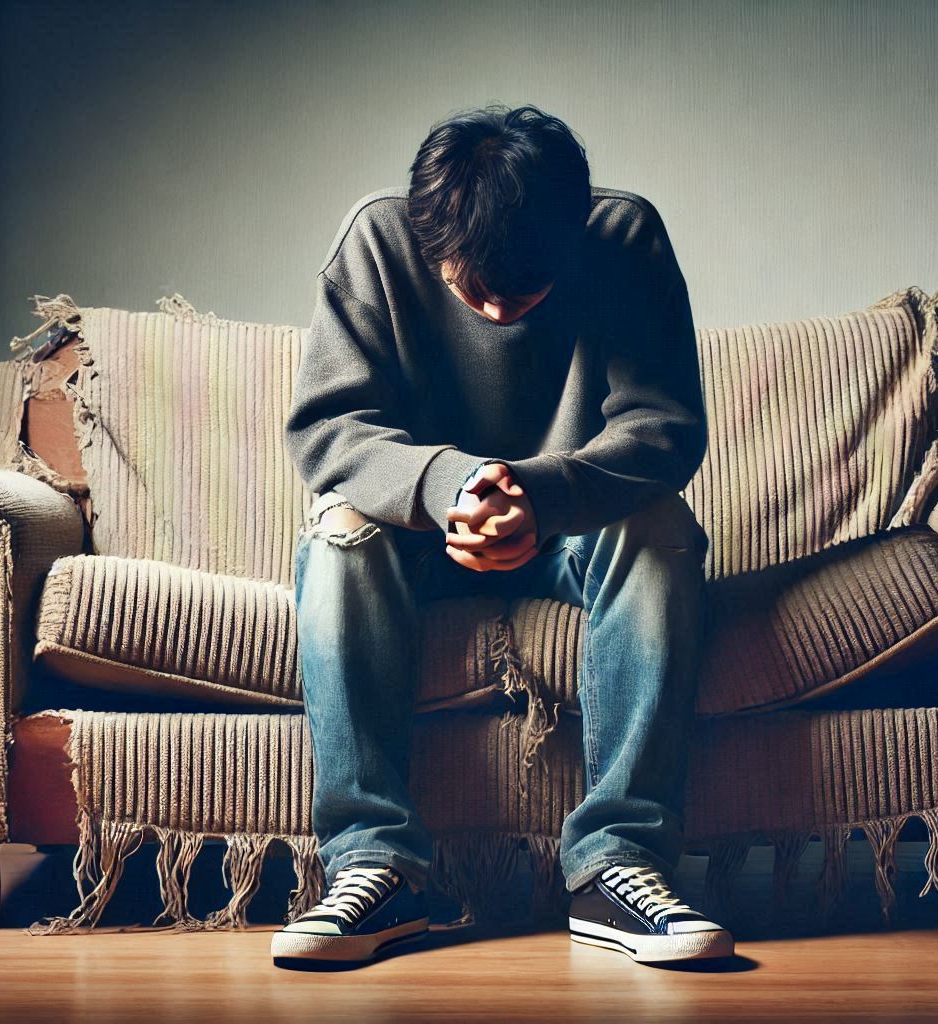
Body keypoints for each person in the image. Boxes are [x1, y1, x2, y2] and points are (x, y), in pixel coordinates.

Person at [274, 103, 733, 966]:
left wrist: (540, 496)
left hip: (571, 534)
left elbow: (663, 429)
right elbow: (330, 433)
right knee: (338, 528)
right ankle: (376, 865)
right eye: (468, 284)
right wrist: (454, 488)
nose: (491, 307)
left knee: (662, 523)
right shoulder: (377, 240)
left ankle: (616, 865)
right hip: (416, 535)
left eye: (520, 293)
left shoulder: (621, 237)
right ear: (428, 231)